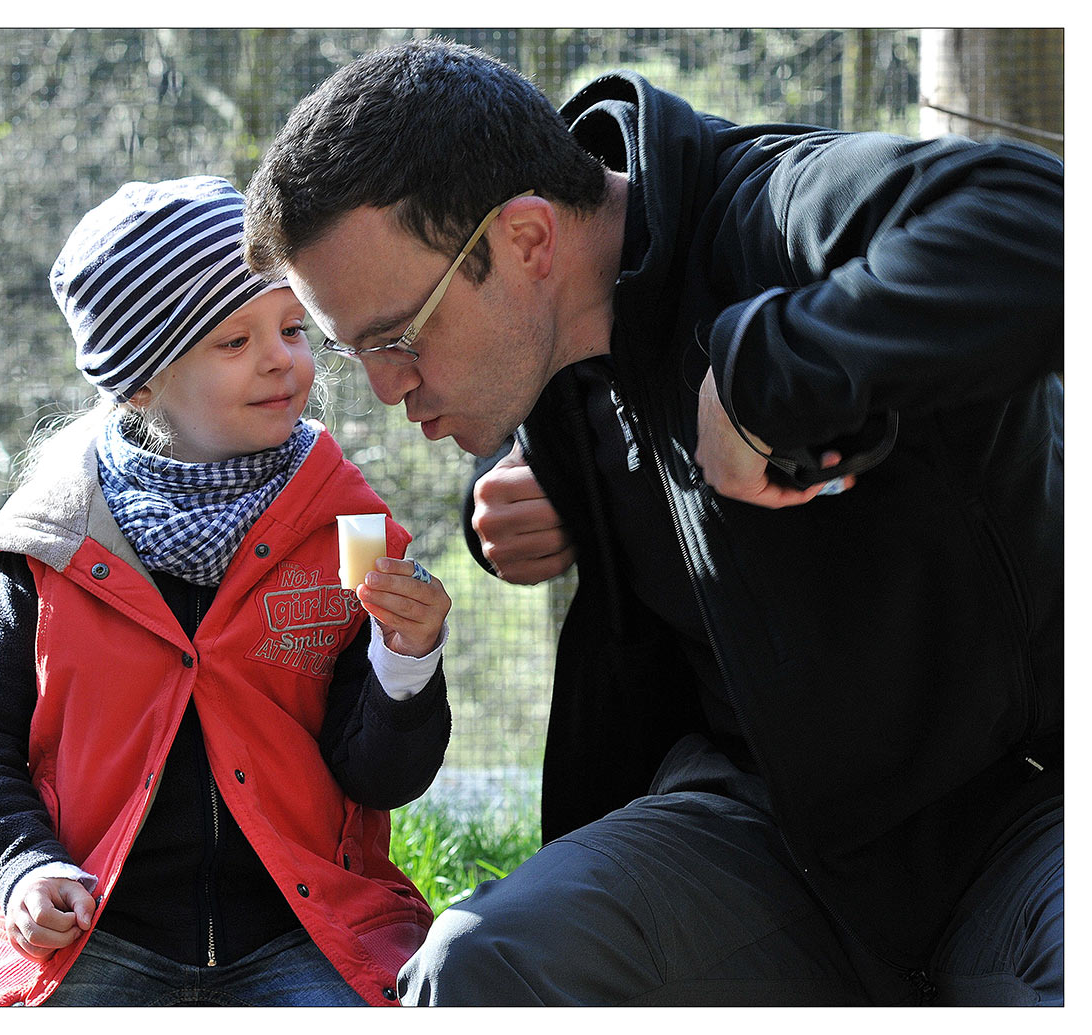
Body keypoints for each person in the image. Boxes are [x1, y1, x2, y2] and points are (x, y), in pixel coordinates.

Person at [242, 38, 1064, 1007]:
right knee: (480, 963)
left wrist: (771, 376)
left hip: (1022, 809)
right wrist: (531, 504)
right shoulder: (549, 342)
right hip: (760, 835)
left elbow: (1041, 222)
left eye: (398, 336)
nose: (386, 388)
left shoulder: (772, 207)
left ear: (528, 241)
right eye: (356, 353)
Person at [0, 175, 453, 1007]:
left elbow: (380, 779)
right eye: (234, 340)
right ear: (140, 382)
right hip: (95, 934)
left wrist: (408, 661)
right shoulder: (50, 547)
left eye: (291, 327)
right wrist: (24, 863)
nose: (282, 358)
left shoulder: (348, 527)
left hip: (301, 933)